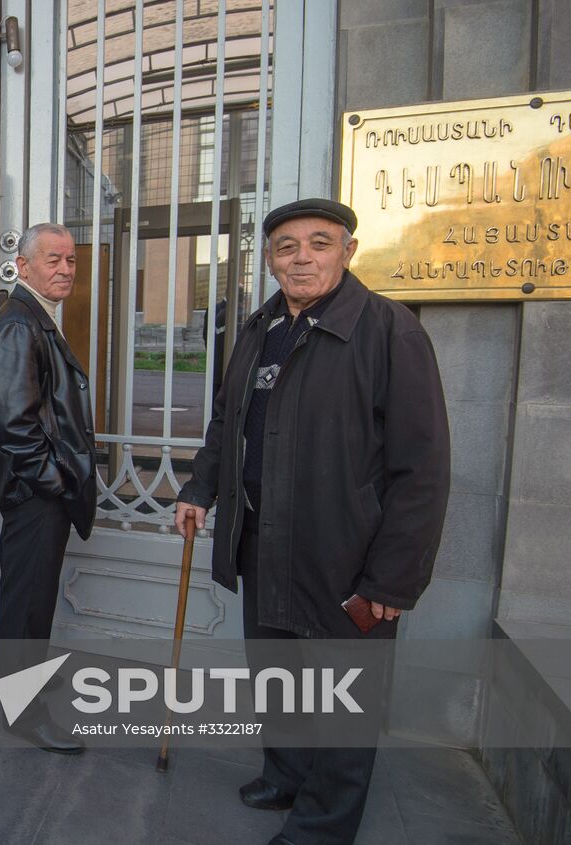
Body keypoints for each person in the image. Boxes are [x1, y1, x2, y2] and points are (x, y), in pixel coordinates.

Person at [174, 198, 451, 845]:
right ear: (270, 260)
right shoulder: (258, 329)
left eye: (318, 243)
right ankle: (285, 773)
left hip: (345, 558)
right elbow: (227, 418)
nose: (302, 257)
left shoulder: (389, 331)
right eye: (287, 246)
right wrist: (201, 486)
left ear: (347, 251)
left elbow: (424, 468)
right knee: (279, 674)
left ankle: (323, 826)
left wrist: (391, 580)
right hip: (263, 542)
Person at [0, 222, 97, 754]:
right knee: (27, 600)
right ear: (22, 266)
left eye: (70, 260)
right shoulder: (19, 326)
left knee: (34, 595)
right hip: (35, 495)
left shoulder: (34, 317)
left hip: (39, 491)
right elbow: (13, 426)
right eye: (53, 260)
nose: (65, 270)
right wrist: (57, 482)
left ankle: (24, 678)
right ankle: (23, 711)